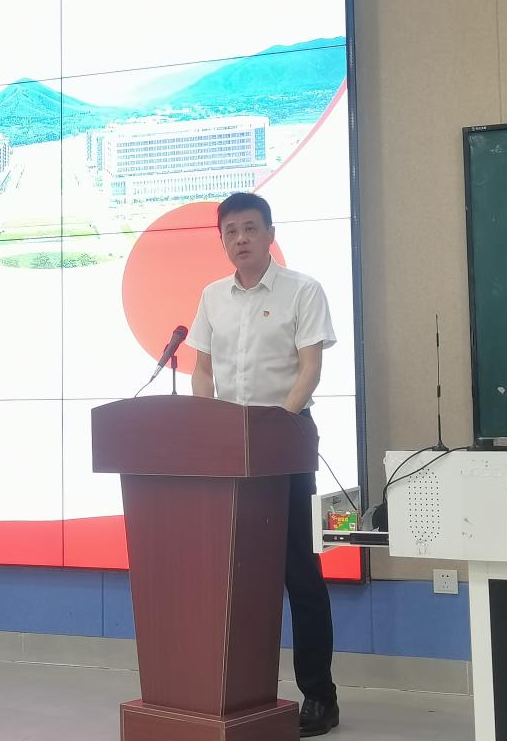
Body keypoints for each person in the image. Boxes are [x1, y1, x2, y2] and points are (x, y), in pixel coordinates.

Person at [185, 191, 339, 738]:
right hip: (231, 454)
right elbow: (203, 370)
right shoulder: (212, 297)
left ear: (270, 233)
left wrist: (274, 428)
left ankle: (319, 696)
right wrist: (211, 426)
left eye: (250, 228)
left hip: (284, 448)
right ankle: (246, 693)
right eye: (231, 231)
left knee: (300, 572)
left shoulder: (303, 290)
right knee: (239, 578)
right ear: (222, 240)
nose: (241, 239)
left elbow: (309, 368)